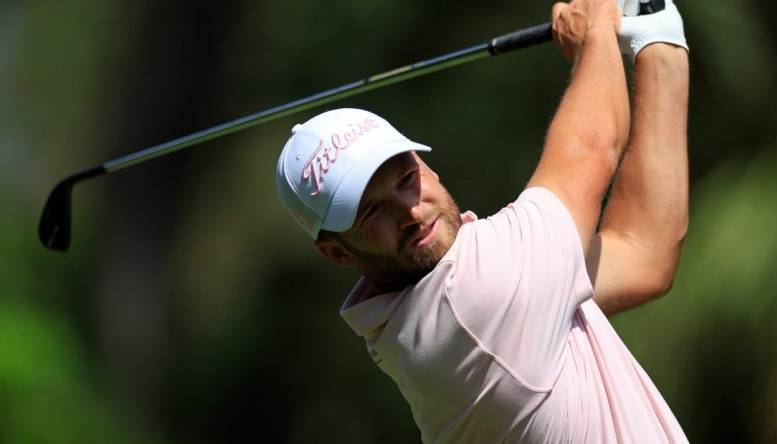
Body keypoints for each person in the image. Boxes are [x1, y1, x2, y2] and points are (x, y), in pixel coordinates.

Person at [274, 0, 690, 441]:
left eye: (406, 178)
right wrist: (597, 28)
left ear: (425, 164)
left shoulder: (459, 308)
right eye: (372, 211)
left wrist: (658, 43)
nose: (410, 211)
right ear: (336, 251)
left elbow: (643, 251)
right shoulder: (473, 296)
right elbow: (593, 146)